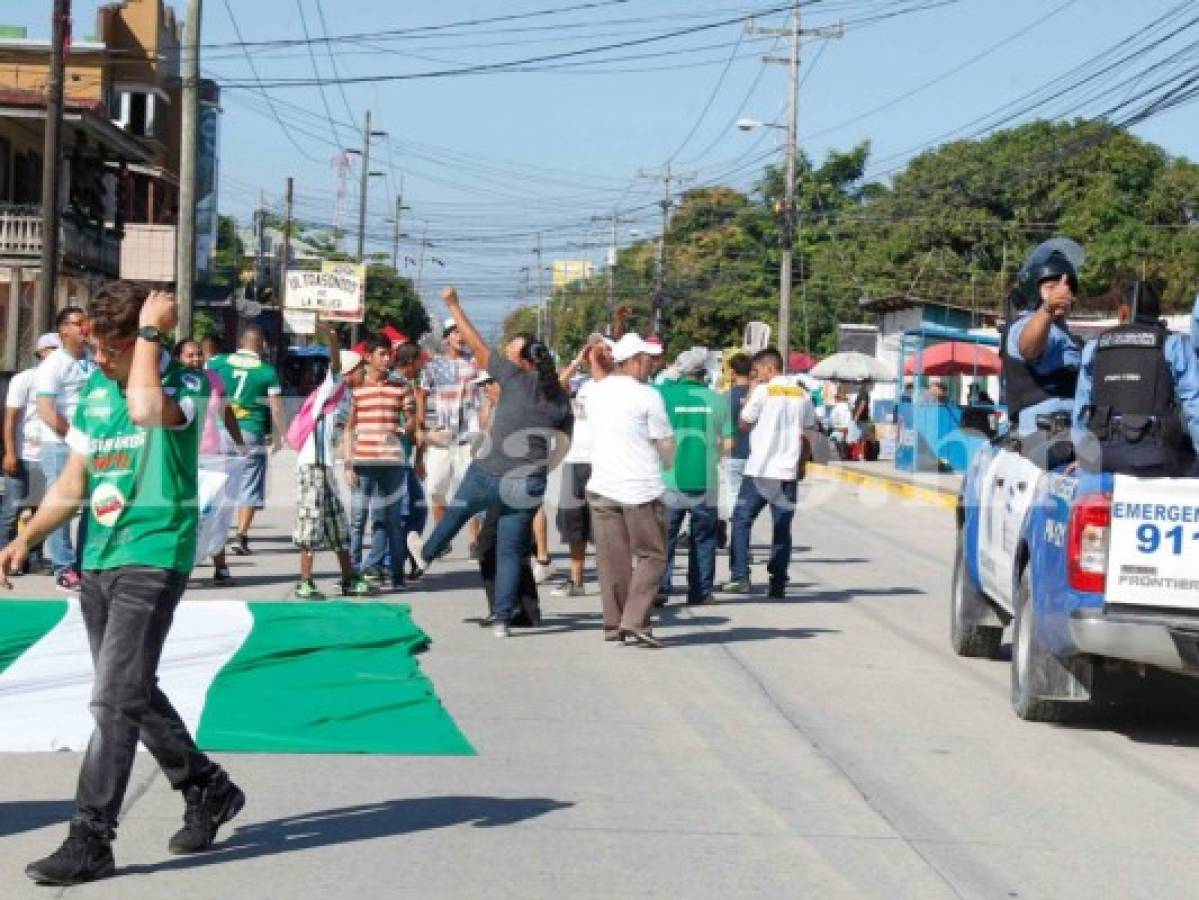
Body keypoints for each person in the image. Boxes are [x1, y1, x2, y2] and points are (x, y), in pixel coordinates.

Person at [0, 284, 243, 886]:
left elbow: (143, 410)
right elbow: (73, 484)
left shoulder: (181, 386)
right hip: (100, 557)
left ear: (141, 339)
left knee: (112, 700)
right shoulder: (95, 398)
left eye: (110, 346)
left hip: (155, 553)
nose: (97, 358)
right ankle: (207, 787)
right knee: (131, 689)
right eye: (94, 345)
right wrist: (26, 538)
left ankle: (91, 836)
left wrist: (155, 336)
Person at [408, 286, 574, 639]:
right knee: (512, 552)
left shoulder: (513, 378)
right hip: (527, 482)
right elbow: (564, 443)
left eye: (514, 350)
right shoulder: (560, 399)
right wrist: (543, 469)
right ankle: (501, 620)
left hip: (491, 471)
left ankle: (426, 555)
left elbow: (476, 343)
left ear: (525, 360)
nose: (507, 352)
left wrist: (453, 304)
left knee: (455, 514)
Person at [584, 333, 675, 647]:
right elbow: (663, 441)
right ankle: (635, 620)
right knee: (653, 555)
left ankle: (614, 622)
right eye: (648, 359)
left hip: (602, 487)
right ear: (634, 361)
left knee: (612, 560)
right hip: (639, 488)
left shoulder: (594, 392)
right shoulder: (646, 395)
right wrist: (669, 462)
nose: (651, 365)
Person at [1074, 280, 1199, 476]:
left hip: (1100, 456)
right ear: (1156, 314)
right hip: (1155, 458)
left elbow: (1081, 410)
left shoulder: (1094, 347)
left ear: (1123, 312)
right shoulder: (1173, 344)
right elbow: (1194, 405)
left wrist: (1081, 458)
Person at [724, 348, 816, 600]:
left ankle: (740, 576)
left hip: (760, 471)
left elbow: (744, 422)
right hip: (787, 473)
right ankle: (778, 583)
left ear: (768, 368)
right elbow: (809, 430)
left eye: (758, 371)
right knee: (782, 528)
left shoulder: (763, 391)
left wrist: (752, 393)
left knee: (741, 521)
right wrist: (802, 461)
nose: (757, 376)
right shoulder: (802, 394)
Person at [293, 323, 374, 599]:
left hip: (325, 467)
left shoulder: (347, 398)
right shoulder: (333, 387)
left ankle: (349, 577)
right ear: (349, 372)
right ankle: (305, 581)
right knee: (310, 523)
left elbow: (343, 436)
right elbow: (336, 365)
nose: (365, 372)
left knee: (337, 524)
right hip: (311, 466)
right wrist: (333, 338)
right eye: (361, 368)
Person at [656, 347, 732, 607]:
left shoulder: (664, 395)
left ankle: (661, 587)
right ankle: (700, 592)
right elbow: (729, 441)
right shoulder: (717, 400)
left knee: (664, 538)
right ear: (703, 374)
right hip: (706, 480)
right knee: (704, 539)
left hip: (669, 478)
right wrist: (713, 455)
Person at [346, 336, 419, 591]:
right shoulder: (356, 388)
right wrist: (347, 463)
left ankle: (396, 576)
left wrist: (404, 429)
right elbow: (348, 428)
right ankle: (352, 573)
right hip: (363, 462)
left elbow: (412, 421)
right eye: (382, 354)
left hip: (392, 463)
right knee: (358, 519)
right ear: (368, 357)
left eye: (389, 354)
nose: (387, 359)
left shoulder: (401, 386)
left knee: (392, 521)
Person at [207, 325, 284, 556]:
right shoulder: (267, 371)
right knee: (249, 484)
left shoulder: (218, 363)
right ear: (261, 345)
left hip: (219, 431)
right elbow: (276, 407)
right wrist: (280, 436)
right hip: (251, 431)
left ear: (241, 342)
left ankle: (211, 532)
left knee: (217, 482)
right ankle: (241, 536)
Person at [175, 339, 246, 586]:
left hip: (213, 454)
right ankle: (180, 569)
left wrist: (239, 442)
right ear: (178, 358)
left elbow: (226, 412)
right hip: (182, 457)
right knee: (185, 515)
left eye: (199, 355)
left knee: (216, 512)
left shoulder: (213, 378)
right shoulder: (171, 380)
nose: (196, 360)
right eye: (189, 356)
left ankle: (221, 566)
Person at [36, 306, 95, 591]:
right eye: (78, 323)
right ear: (63, 330)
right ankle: (63, 567)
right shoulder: (53, 364)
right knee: (62, 506)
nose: (85, 327)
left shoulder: (93, 360)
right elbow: (46, 411)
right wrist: (74, 435)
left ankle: (84, 564)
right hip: (61, 445)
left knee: (96, 506)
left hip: (93, 445)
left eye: (87, 322)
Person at [1001, 240, 1084, 437]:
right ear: (1033, 290)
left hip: (1074, 432)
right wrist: (1047, 308)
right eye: (1051, 287)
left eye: (1067, 288)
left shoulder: (1069, 336)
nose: (1061, 293)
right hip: (1040, 435)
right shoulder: (1026, 324)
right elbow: (1029, 348)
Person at [550, 335, 612, 598]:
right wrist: (577, 360)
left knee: (607, 524)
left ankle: (612, 582)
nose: (595, 354)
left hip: (605, 461)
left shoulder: (617, 385)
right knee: (574, 523)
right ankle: (576, 580)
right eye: (592, 350)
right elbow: (556, 386)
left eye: (601, 350)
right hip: (577, 459)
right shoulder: (582, 385)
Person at [422, 317, 482, 554]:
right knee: (436, 489)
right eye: (455, 332)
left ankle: (474, 540)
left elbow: (487, 397)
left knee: (471, 493)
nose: (460, 336)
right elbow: (421, 396)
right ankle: (442, 538)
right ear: (446, 337)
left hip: (467, 437)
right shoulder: (433, 367)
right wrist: (425, 431)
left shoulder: (475, 364)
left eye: (462, 332)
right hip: (441, 439)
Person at [2, 333, 59, 564]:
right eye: (51, 349)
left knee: (38, 511)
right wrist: (9, 452)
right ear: (40, 353)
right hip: (23, 453)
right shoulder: (25, 379)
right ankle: (4, 555)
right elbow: (11, 418)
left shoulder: (63, 379)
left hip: (47, 455)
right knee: (12, 510)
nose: (56, 354)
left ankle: (32, 558)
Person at [719, 352, 753, 550]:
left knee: (733, 496)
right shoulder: (758, 394)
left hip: (733, 453)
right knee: (749, 502)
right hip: (755, 454)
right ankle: (743, 542)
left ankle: (737, 542)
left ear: (732, 371)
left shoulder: (725, 398)